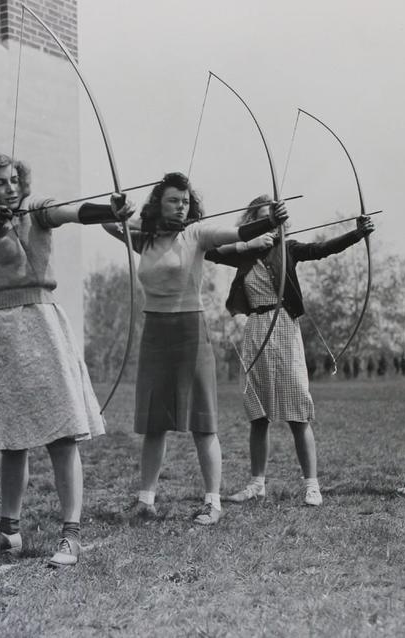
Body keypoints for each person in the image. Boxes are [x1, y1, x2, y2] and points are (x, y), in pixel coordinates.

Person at [0, 153, 134, 566]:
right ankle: (8, 533)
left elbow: (71, 212)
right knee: (10, 437)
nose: (11, 187)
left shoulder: (37, 210)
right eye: (0, 182)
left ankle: (71, 535)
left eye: (15, 179)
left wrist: (109, 210)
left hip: (41, 323)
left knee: (62, 434)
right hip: (0, 329)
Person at [102, 172, 288, 525]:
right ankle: (145, 500)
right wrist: (120, 211)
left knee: (203, 422)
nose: (181, 206)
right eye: (173, 200)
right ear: (158, 204)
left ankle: (212, 502)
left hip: (190, 330)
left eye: (185, 202)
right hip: (155, 332)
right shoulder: (145, 239)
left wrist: (270, 221)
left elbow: (238, 234)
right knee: (154, 422)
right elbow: (111, 225)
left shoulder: (196, 234)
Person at [206, 194, 374, 506]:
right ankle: (257, 484)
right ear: (252, 223)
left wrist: (357, 233)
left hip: (283, 326)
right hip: (256, 329)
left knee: (297, 410)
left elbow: (323, 249)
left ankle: (312, 486)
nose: (269, 225)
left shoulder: (289, 249)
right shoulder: (243, 254)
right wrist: (244, 244)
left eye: (274, 219)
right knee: (258, 414)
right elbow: (209, 251)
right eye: (262, 219)